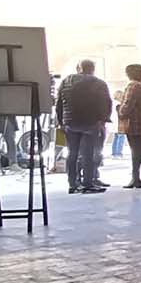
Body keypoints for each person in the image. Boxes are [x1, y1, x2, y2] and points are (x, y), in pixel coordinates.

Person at [55, 59, 112, 194]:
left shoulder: (66, 81)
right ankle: (88, 183)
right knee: (88, 154)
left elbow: (59, 103)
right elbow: (106, 102)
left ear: (79, 68)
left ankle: (72, 184)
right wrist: (103, 119)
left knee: (72, 153)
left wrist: (60, 121)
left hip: (69, 122)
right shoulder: (98, 83)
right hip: (90, 122)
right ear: (92, 69)